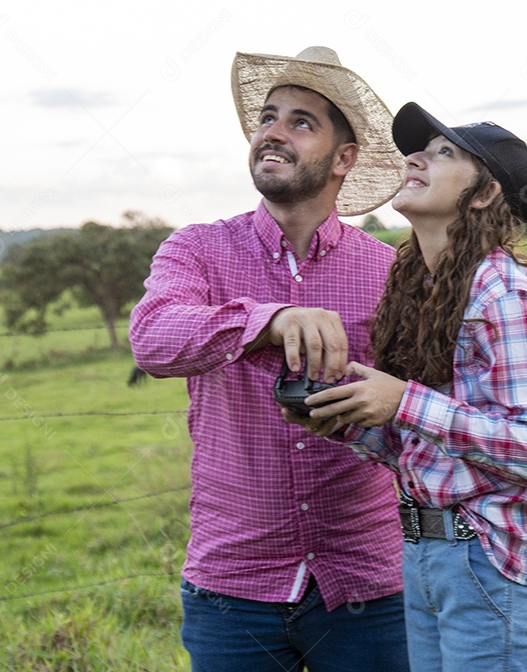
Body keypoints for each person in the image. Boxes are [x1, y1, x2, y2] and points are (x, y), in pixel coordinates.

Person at [129, 47, 410, 672]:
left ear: (344, 158)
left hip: (366, 581)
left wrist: (374, 408)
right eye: (267, 117)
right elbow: (153, 339)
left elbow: (423, 402)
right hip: (234, 583)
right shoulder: (197, 250)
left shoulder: (389, 271)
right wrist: (267, 321)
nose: (273, 133)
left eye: (301, 122)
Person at [289, 102, 527, 671]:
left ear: (483, 194)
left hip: (493, 561)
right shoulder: (424, 291)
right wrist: (349, 421)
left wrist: (405, 401)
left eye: (444, 153)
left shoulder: (505, 295)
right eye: (419, 149)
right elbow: (433, 448)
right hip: (425, 556)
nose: (416, 158)